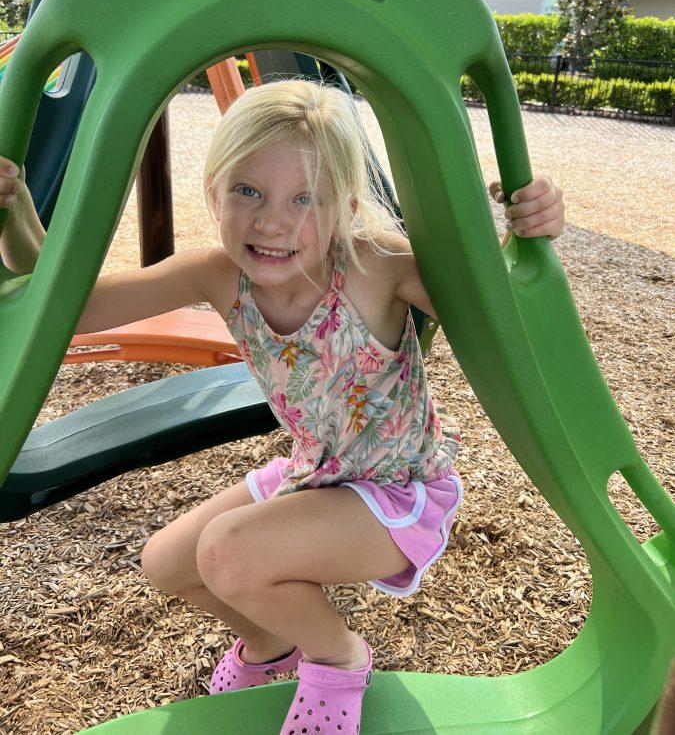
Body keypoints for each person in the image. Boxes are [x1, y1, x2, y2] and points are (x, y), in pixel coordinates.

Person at [0, 80, 565, 734]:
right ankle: (272, 646)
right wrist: (13, 213)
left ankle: (338, 658)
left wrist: (531, 239)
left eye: (306, 198)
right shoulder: (216, 273)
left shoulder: (378, 269)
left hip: (395, 493)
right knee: (169, 563)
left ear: (344, 209)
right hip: (315, 473)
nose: (272, 221)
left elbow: (511, 320)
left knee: (227, 554)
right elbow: (69, 307)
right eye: (248, 191)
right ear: (214, 189)